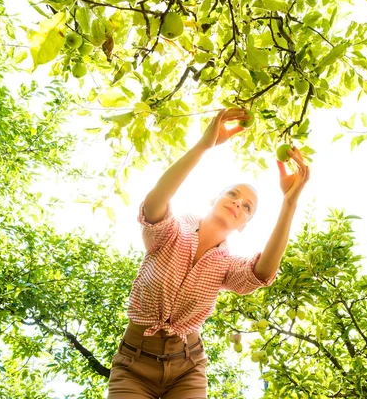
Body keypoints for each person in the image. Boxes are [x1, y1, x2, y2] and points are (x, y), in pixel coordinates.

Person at [108, 108, 310, 398]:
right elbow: (153, 205)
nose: (239, 203)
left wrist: (289, 202)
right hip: (133, 365)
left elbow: (263, 272)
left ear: (243, 225)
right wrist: (205, 145)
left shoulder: (228, 266)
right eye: (233, 194)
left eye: (247, 207)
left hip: (187, 368)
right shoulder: (170, 232)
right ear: (214, 199)